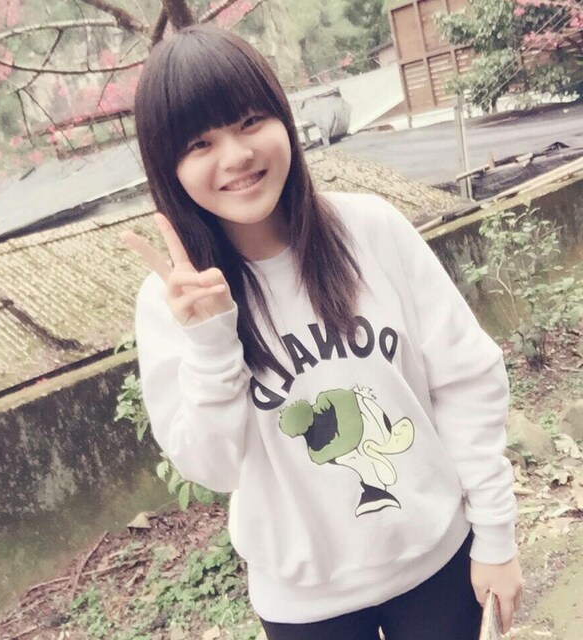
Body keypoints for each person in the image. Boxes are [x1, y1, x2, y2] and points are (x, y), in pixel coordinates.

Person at [123, 24, 523, 640]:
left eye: (251, 121)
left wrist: (495, 534)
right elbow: (213, 468)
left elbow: (465, 380)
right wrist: (211, 342)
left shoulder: (372, 229)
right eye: (200, 143)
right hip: (306, 607)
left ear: (285, 120)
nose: (236, 156)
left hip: (438, 564)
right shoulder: (169, 303)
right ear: (167, 165)